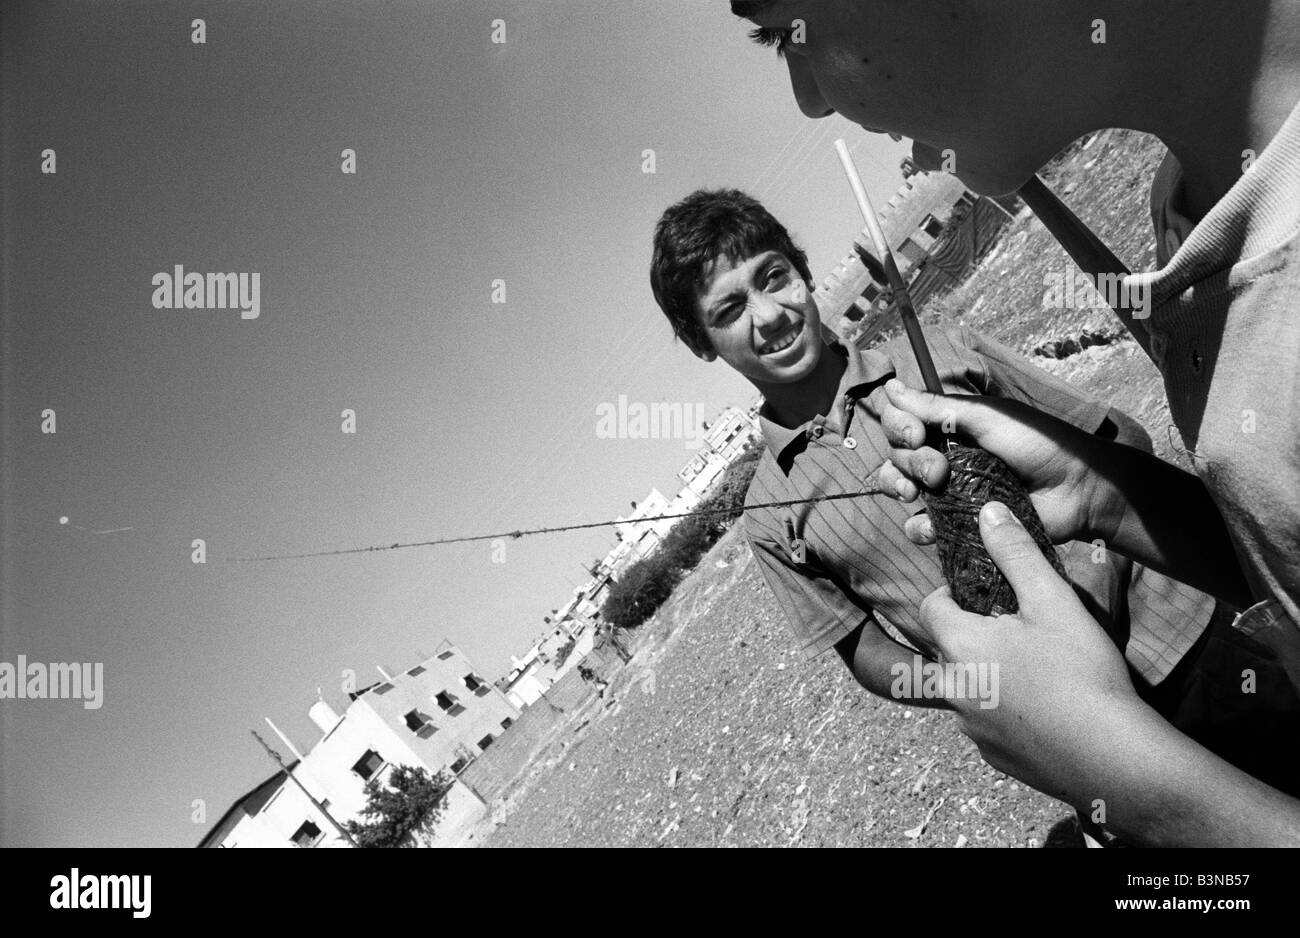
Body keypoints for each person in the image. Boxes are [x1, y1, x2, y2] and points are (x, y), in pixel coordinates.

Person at [726, 0, 1300, 843]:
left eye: (785, 28)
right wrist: (1106, 500)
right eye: (727, 310)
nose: (808, 99)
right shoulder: (1194, 220)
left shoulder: (949, 347)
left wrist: (1134, 781)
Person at [647, 189, 1290, 810]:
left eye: (774, 276)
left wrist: (1100, 575)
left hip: (1191, 642)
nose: (769, 316)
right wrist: (969, 685)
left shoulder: (946, 355)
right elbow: (862, 649)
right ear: (703, 343)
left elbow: (1115, 437)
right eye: (729, 311)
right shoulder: (767, 514)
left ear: (805, 272)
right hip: (1076, 737)